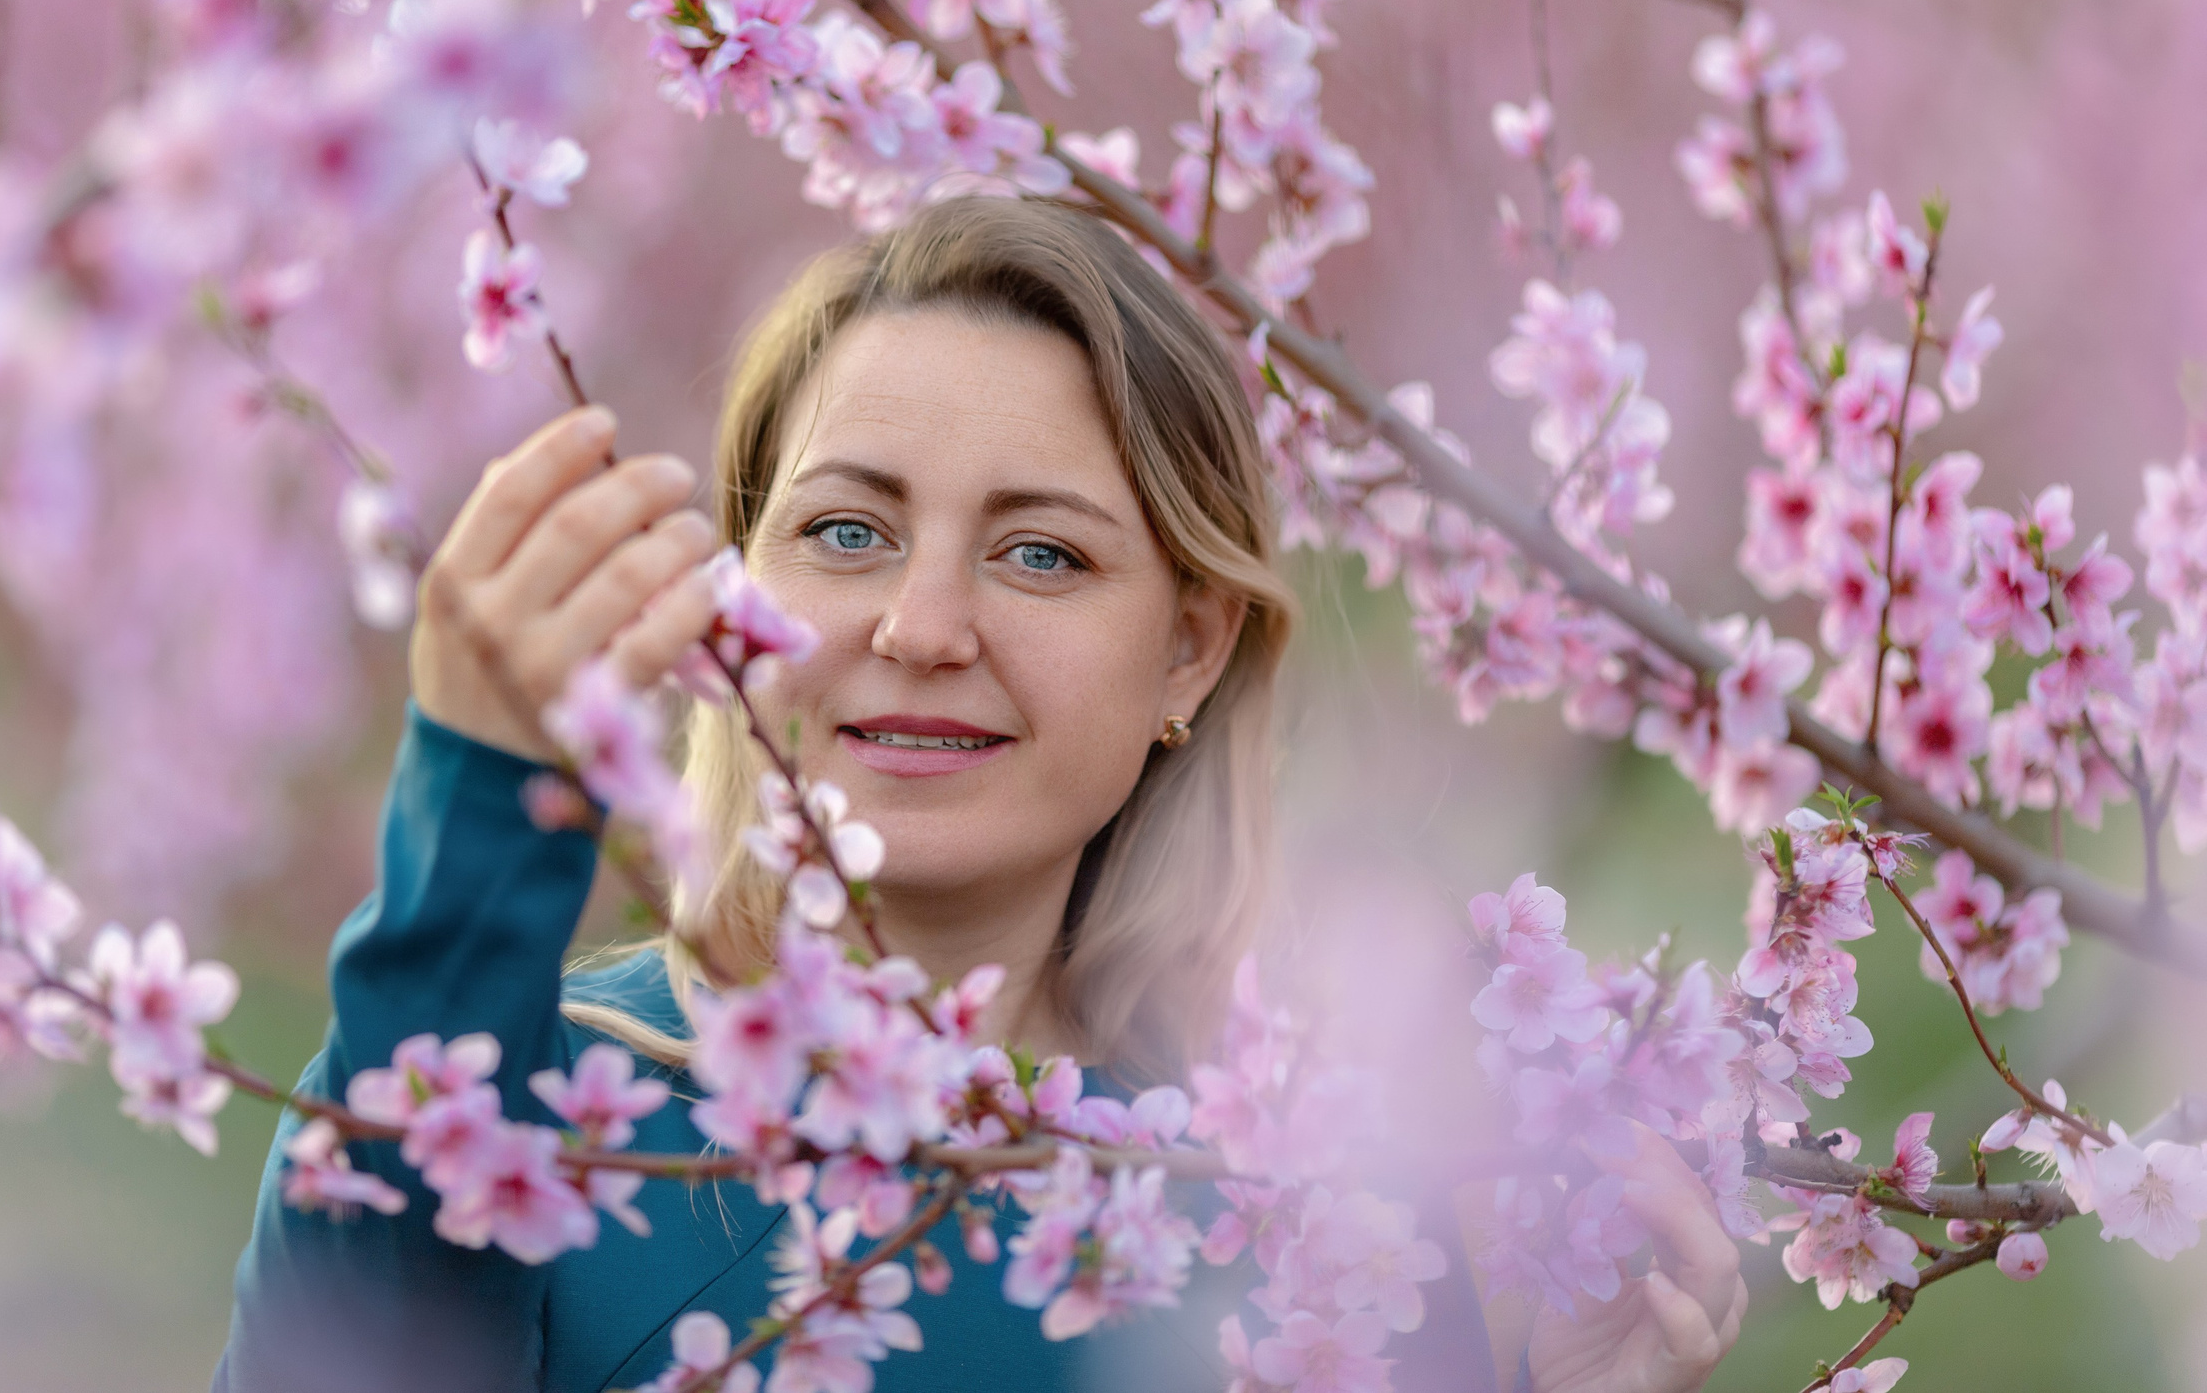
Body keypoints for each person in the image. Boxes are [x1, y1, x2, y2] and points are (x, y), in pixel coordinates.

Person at [215, 197, 1743, 1392]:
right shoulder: (529, 1111)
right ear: (736, 599)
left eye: (1043, 555)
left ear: (1188, 654)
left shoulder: (1305, 1226)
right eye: (846, 532)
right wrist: (476, 798)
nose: (923, 627)